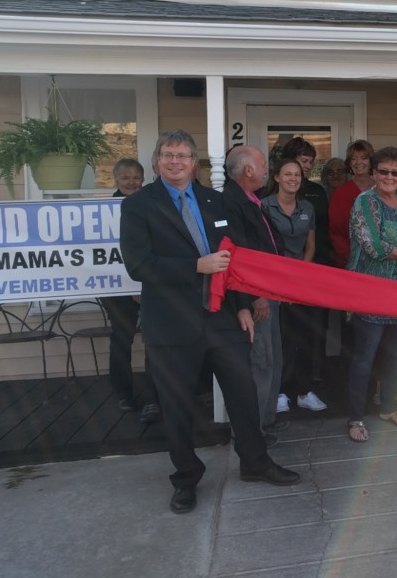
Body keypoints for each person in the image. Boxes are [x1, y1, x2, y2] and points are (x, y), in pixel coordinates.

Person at [120, 130, 298, 515]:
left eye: (183, 155)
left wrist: (244, 306)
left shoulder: (214, 201)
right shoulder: (138, 206)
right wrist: (194, 266)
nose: (175, 161)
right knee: (177, 404)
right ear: (156, 161)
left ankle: (255, 462)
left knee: (244, 392)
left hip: (221, 317)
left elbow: (230, 261)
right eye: (167, 154)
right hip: (170, 324)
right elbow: (138, 265)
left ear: (194, 161)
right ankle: (186, 478)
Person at [346, 147, 397, 442]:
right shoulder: (365, 202)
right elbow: (375, 247)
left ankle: (388, 408)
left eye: (396, 172)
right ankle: (355, 417)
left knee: (395, 355)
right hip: (371, 290)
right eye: (383, 171)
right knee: (364, 357)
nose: (389, 177)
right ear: (373, 173)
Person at [221, 146, 285, 446]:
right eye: (261, 164)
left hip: (271, 289)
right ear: (247, 170)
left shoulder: (250, 198)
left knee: (272, 359)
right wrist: (252, 298)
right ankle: (252, 434)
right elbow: (239, 257)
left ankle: (265, 420)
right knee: (260, 362)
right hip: (256, 295)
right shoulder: (230, 203)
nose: (265, 169)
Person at [261, 158, 328, 414]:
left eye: (297, 175)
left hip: (300, 281)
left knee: (303, 337)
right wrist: (281, 280)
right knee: (279, 338)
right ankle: (278, 392)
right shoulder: (264, 206)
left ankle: (303, 391)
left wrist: (299, 274)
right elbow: (264, 246)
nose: (293, 179)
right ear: (277, 177)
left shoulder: (307, 207)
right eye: (287, 174)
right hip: (273, 282)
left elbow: (310, 246)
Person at [102, 158, 160, 423]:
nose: (131, 182)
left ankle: (153, 398)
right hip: (116, 290)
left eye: (136, 177)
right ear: (115, 180)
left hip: (149, 284)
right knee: (121, 341)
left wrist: (141, 284)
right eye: (125, 177)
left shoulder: (153, 204)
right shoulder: (102, 211)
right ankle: (123, 394)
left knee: (154, 344)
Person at [280, 138, 334, 385]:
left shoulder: (317, 191)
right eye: (303, 161)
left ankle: (315, 374)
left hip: (317, 266)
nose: (307, 167)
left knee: (315, 325)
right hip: (284, 271)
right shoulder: (273, 196)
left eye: (311, 162)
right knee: (287, 329)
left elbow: (324, 229)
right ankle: (284, 381)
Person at [329, 139, 375, 268]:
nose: (358, 162)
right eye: (354, 159)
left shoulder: (380, 190)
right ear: (349, 163)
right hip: (349, 262)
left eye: (364, 158)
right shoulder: (340, 193)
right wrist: (351, 256)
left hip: (380, 262)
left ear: (371, 161)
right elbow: (335, 233)